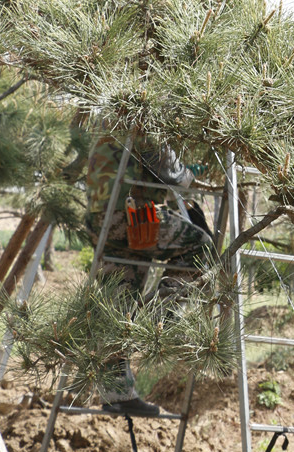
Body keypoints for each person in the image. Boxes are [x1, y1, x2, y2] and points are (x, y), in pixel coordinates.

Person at [85, 134, 214, 416]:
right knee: (201, 246)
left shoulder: (109, 121)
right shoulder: (146, 116)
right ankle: (161, 321)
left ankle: (117, 393)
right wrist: (189, 172)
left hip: (100, 219)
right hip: (132, 218)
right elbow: (174, 176)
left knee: (117, 303)